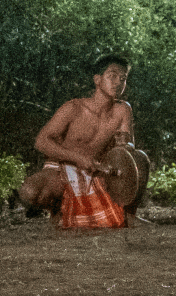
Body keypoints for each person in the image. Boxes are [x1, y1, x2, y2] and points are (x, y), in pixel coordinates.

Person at [20, 54, 144, 228]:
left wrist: (123, 147)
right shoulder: (73, 107)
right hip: (62, 168)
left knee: (140, 158)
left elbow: (127, 150)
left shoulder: (122, 110)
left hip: (97, 171)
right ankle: (58, 210)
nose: (118, 82)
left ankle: (127, 214)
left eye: (123, 79)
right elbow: (41, 141)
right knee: (30, 191)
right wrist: (78, 158)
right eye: (112, 76)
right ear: (98, 79)